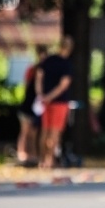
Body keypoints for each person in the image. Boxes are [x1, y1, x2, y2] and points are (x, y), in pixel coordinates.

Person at [35, 36, 74, 169]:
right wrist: (50, 97)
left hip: (44, 101)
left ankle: (41, 159)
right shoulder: (66, 64)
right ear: (69, 49)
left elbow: (39, 77)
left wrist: (41, 95)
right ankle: (50, 160)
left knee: (44, 131)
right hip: (59, 102)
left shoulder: (48, 61)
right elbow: (63, 85)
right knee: (55, 132)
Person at [16, 44, 48, 166]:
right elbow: (27, 85)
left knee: (33, 133)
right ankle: (22, 153)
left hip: (36, 105)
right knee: (25, 131)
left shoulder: (43, 70)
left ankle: (32, 154)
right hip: (29, 104)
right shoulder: (33, 70)